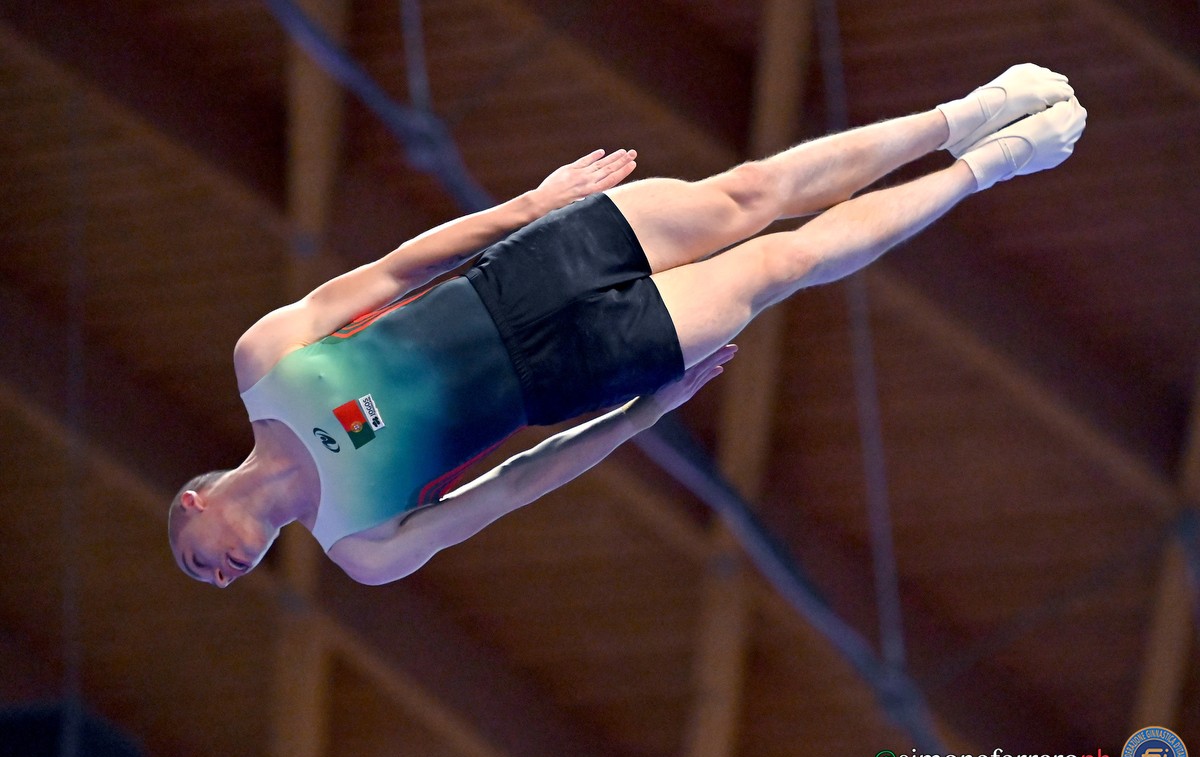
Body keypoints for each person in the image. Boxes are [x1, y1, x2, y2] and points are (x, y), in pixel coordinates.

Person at [169, 64, 1085, 588]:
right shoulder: (363, 549)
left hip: (519, 277)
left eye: (199, 562)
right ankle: (989, 165)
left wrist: (530, 206)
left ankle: (966, 115)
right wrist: (646, 413)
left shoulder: (264, 360)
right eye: (219, 579)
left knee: (749, 193)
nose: (222, 577)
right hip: (574, 372)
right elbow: (517, 484)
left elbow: (395, 269)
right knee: (783, 264)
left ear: (195, 503)